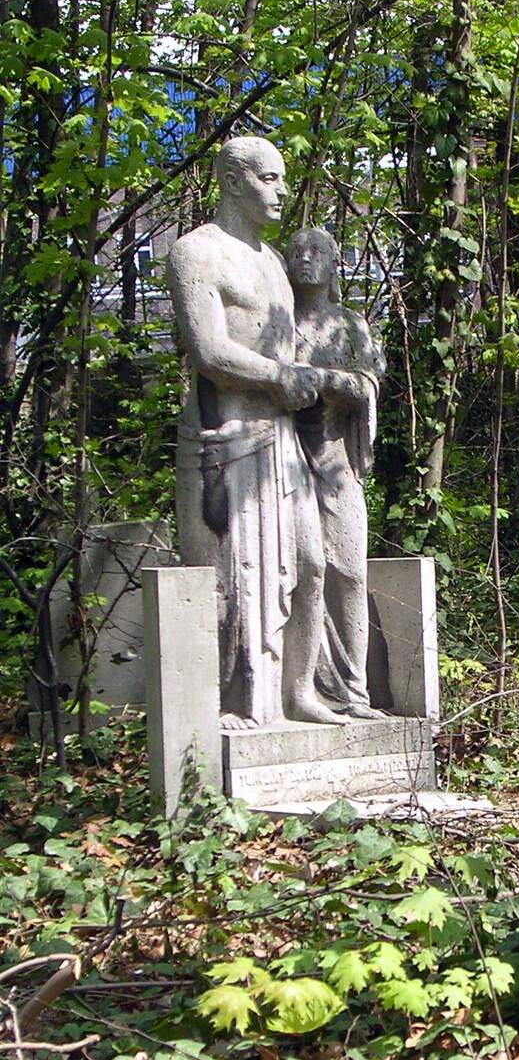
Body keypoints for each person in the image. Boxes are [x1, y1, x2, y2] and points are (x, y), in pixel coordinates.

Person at [167, 138, 346, 729]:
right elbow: (208, 350)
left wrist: (317, 379)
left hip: (282, 438)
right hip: (226, 437)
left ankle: (299, 691)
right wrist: (278, 376)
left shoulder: (272, 262)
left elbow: (288, 345)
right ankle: (232, 700)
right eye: (269, 178)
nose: (282, 191)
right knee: (232, 575)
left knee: (310, 562)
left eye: (283, 179)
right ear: (232, 181)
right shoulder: (195, 253)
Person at [286, 227, 387, 719]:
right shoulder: (276, 321)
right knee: (302, 569)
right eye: (296, 252)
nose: (305, 259)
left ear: (332, 263)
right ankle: (300, 688)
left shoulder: (349, 324)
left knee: (350, 570)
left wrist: (325, 380)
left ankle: (355, 690)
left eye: (316, 252)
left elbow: (368, 383)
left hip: (337, 459)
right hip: (284, 459)